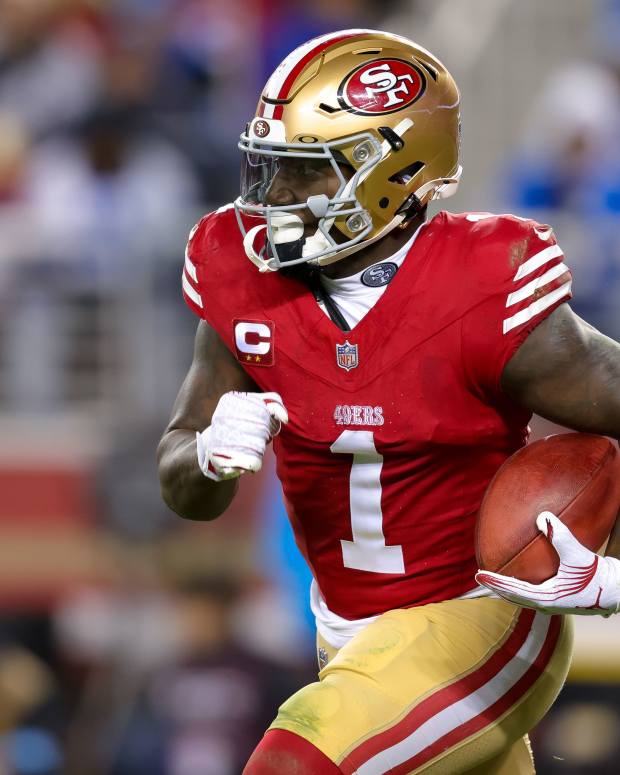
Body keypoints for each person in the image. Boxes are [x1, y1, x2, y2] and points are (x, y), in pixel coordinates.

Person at [157, 30, 620, 774]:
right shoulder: (237, 273)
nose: (272, 196)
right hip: (348, 636)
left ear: (390, 174)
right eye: (271, 167)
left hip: (483, 613)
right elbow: (183, 486)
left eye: (305, 174)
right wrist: (206, 453)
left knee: (293, 762)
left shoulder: (482, 285)